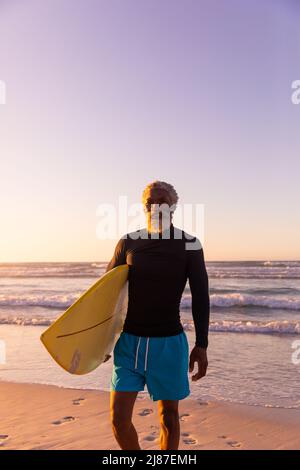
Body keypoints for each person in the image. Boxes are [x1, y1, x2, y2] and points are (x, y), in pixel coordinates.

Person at [106, 181, 210, 450]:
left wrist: (202, 345)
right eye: (151, 202)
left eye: (163, 201)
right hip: (129, 343)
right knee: (118, 419)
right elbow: (106, 293)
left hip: (168, 344)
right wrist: (100, 341)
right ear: (144, 207)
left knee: (170, 418)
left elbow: (200, 296)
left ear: (173, 207)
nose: (156, 206)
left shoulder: (190, 245)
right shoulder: (128, 242)